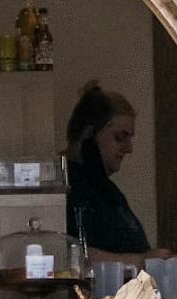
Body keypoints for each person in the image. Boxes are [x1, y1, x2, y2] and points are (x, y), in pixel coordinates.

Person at [64, 83, 152, 257]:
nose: (129, 148)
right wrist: (140, 261)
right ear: (89, 133)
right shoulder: (63, 187)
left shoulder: (107, 189)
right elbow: (67, 254)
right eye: (120, 137)